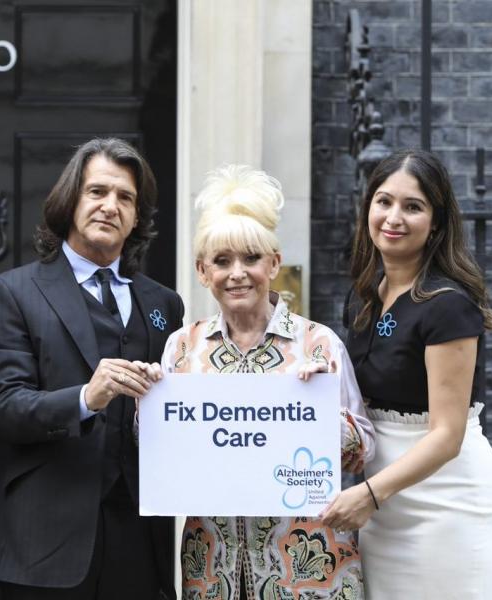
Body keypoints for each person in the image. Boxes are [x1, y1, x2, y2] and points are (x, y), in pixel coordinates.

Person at [0, 138, 183, 600]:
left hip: (140, 541)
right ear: (71, 200)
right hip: (43, 544)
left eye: (125, 198)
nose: (111, 206)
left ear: (137, 216)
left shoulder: (163, 303)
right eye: (97, 192)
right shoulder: (12, 294)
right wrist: (87, 398)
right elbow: (5, 408)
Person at [157, 165, 374, 599]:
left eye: (251, 259)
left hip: (308, 569)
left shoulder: (319, 344)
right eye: (222, 261)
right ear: (202, 271)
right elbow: (159, 451)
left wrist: (316, 408)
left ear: (273, 263)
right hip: (213, 568)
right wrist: (149, 402)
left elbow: (363, 449)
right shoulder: (181, 348)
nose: (237, 273)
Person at [320, 149, 492, 598]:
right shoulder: (365, 296)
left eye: (413, 206)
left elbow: (448, 435)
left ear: (437, 222)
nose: (394, 217)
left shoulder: (448, 304)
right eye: (384, 201)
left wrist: (368, 494)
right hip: (386, 506)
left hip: (449, 504)